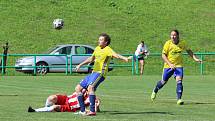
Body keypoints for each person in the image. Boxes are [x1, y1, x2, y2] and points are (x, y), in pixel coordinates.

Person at [75, 33, 130, 116]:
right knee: (78, 88)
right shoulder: (97, 48)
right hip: (93, 73)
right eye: (99, 39)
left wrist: (124, 58)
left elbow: (116, 55)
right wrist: (80, 64)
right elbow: (91, 58)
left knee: (90, 88)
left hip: (100, 73)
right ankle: (82, 110)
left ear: (106, 42)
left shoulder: (108, 49)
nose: (99, 41)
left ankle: (92, 111)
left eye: (101, 40)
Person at [150, 29, 202, 105]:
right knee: (163, 82)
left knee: (179, 80)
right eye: (171, 35)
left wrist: (195, 58)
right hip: (168, 66)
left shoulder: (182, 43)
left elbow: (189, 50)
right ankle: (155, 90)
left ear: (178, 36)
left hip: (178, 65)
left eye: (174, 35)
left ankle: (179, 99)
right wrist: (170, 64)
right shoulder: (168, 43)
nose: (173, 36)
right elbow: (163, 55)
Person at [27, 90, 101, 113]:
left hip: (70, 107)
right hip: (66, 98)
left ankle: (35, 110)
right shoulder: (82, 89)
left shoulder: (92, 98)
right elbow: (73, 94)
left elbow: (94, 110)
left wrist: (97, 107)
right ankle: (46, 108)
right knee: (51, 97)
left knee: (54, 107)